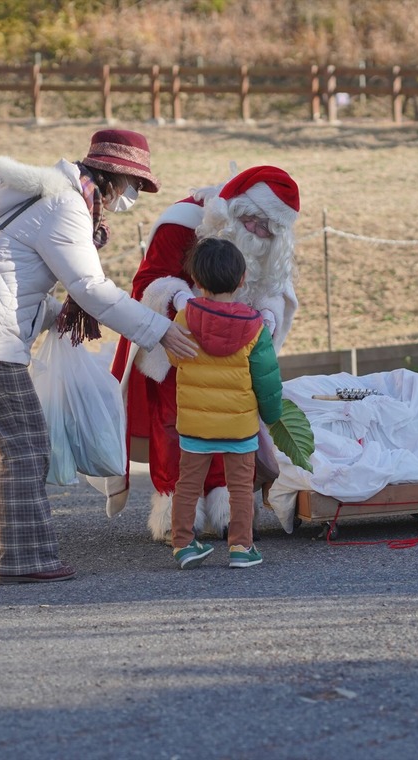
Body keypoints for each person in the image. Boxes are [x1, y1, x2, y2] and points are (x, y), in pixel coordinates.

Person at [0, 129, 198, 584]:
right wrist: (159, 330)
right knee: (26, 446)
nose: (131, 198)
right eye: (133, 187)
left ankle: (8, 555)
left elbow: (10, 272)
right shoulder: (66, 205)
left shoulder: (45, 197)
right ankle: (24, 560)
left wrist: (54, 314)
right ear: (112, 177)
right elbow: (91, 289)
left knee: (4, 451)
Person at [103, 165, 301, 542]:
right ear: (234, 209)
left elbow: (273, 286)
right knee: (174, 424)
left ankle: (226, 507)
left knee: (230, 425)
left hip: (234, 350)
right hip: (178, 339)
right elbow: (149, 280)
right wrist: (180, 301)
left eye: (269, 228)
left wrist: (269, 317)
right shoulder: (182, 223)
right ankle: (176, 508)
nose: (259, 232)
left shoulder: (268, 242)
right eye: (254, 221)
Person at [166, 237, 283, 569]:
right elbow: (266, 377)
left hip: (195, 426)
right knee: (241, 488)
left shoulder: (186, 317)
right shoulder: (254, 327)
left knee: (188, 485)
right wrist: (273, 415)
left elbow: (174, 357)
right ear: (242, 279)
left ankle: (184, 544)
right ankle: (241, 548)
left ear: (198, 282)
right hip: (239, 427)